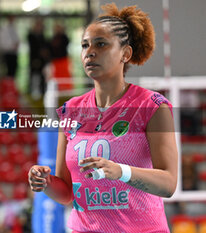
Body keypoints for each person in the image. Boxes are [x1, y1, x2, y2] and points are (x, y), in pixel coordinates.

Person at [28, 3, 178, 233]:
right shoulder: (70, 111)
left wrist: (121, 171)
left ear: (125, 54)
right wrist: (46, 183)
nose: (90, 52)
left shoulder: (152, 106)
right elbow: (67, 192)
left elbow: (168, 184)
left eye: (101, 44)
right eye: (85, 45)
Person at [27, 19, 50, 100]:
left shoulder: (43, 36)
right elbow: (34, 48)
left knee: (42, 78)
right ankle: (32, 94)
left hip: (42, 62)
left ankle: (42, 93)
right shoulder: (31, 36)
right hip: (34, 61)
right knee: (34, 78)